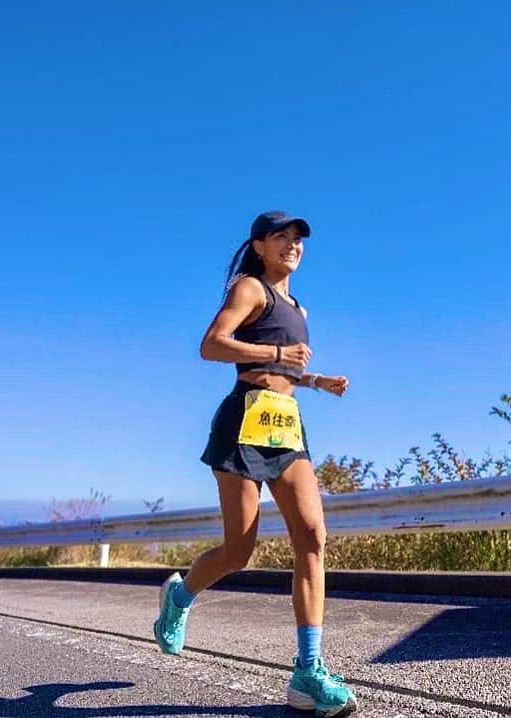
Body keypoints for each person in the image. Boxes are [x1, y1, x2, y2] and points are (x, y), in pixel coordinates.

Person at [153, 210, 357, 718]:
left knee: (312, 535)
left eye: (298, 239)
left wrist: (315, 380)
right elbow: (211, 345)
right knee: (239, 549)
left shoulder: (298, 306)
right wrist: (278, 351)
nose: (292, 245)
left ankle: (307, 673)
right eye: (281, 237)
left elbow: (281, 369)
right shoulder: (251, 288)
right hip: (244, 419)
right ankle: (179, 598)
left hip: (286, 424)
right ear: (260, 246)